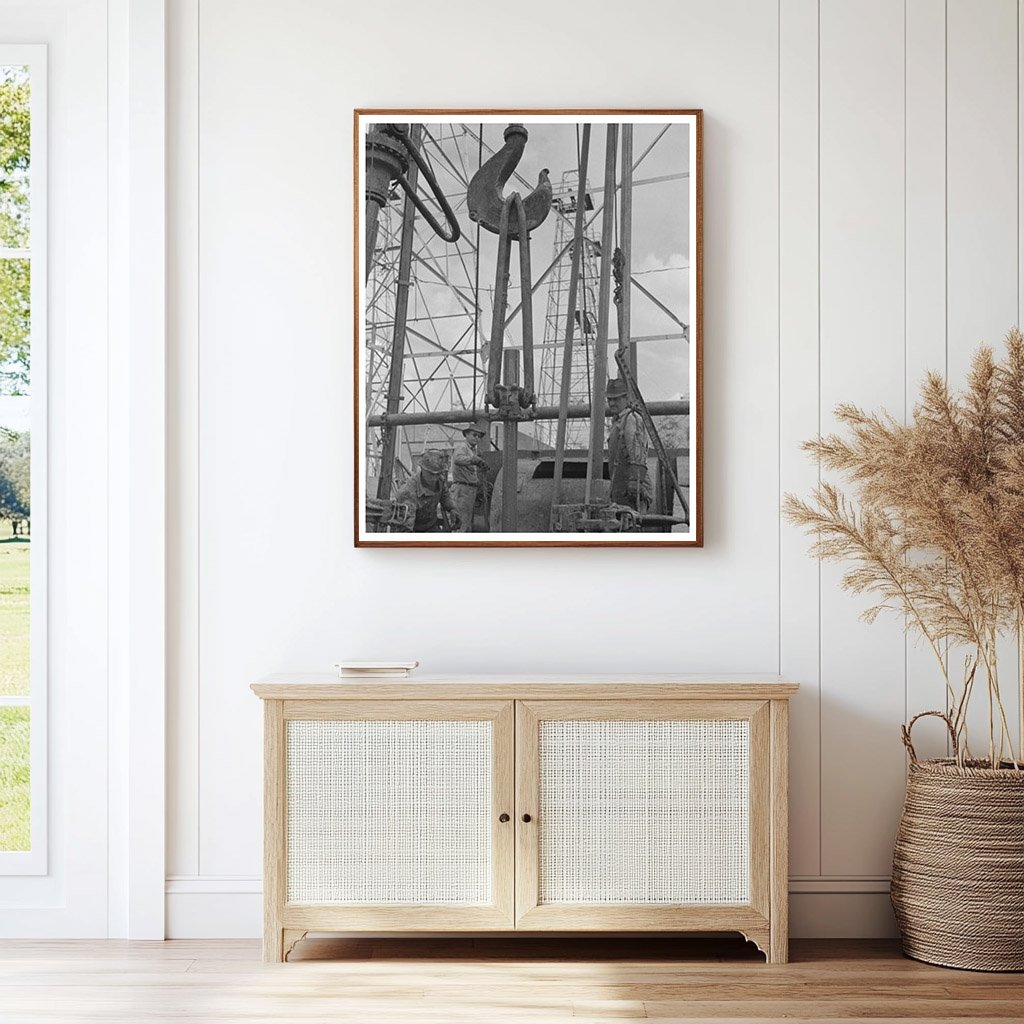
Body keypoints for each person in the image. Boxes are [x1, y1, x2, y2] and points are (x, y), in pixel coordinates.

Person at [606, 377, 651, 513]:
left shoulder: (631, 419)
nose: (612, 403)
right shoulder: (619, 421)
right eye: (610, 399)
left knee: (632, 528)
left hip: (634, 489)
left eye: (616, 399)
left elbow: (637, 452)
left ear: (626, 398)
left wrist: (635, 482)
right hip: (623, 488)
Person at [394, 449, 457, 532]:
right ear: (422, 469)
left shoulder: (440, 480)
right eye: (431, 474)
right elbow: (405, 528)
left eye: (438, 474)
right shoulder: (408, 492)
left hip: (431, 526)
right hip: (413, 530)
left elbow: (445, 496)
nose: (435, 479)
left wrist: (452, 509)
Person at [450, 418, 491, 533]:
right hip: (462, 490)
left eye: (479, 436)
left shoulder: (471, 450)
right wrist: (475, 460)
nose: (477, 438)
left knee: (466, 523)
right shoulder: (462, 447)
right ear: (467, 435)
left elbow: (469, 470)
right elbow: (458, 459)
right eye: (474, 435)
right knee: (461, 523)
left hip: (468, 490)